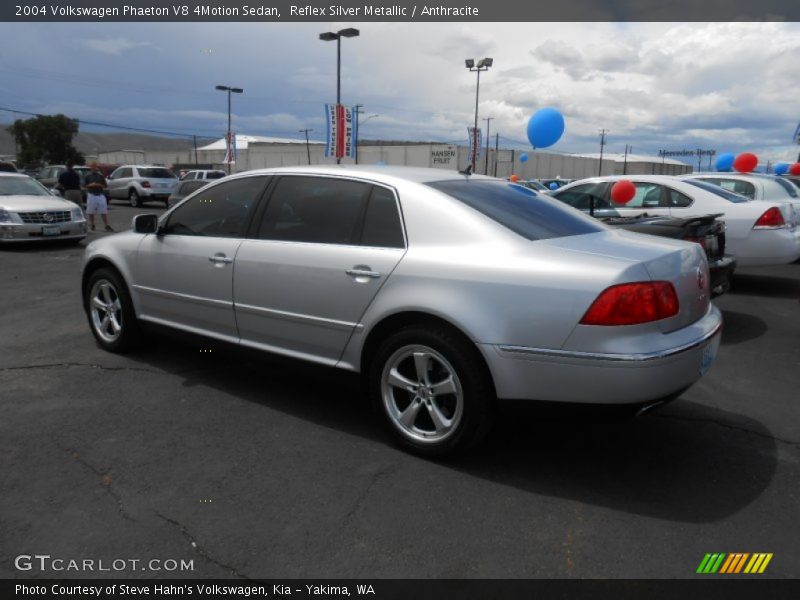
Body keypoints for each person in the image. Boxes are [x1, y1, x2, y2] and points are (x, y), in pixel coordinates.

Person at [84, 163, 113, 232]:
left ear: (96, 168)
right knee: (91, 211)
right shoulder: (87, 176)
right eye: (92, 167)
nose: (94, 169)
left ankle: (106, 225)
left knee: (103, 210)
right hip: (91, 195)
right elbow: (84, 186)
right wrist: (90, 185)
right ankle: (92, 224)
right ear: (91, 168)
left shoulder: (100, 176)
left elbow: (105, 186)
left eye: (95, 167)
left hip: (100, 194)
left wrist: (99, 185)